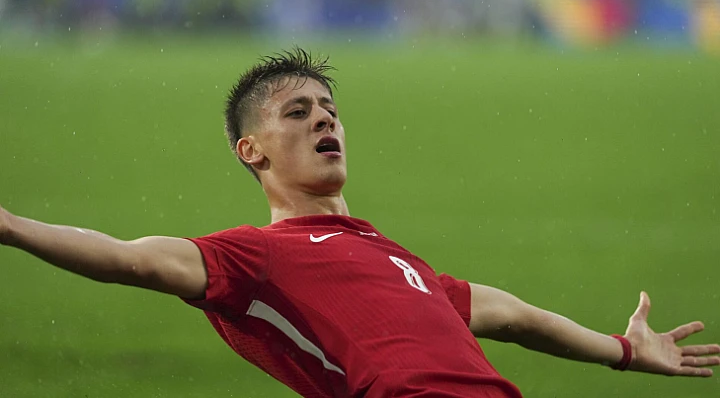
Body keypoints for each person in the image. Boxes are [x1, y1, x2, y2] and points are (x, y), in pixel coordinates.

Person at [0, 47, 718, 398]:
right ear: (251, 150)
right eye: (298, 112)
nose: (324, 120)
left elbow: (514, 315)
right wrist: (10, 226)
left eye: (330, 111)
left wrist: (624, 351)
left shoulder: (395, 258)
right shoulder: (256, 257)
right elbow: (131, 258)